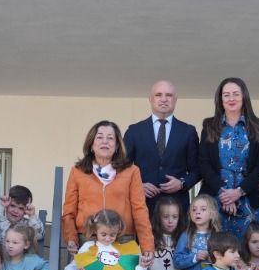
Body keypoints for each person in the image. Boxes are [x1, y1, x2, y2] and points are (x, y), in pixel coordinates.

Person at [61, 120, 155, 258]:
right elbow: (69, 212)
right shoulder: (77, 171)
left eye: (110, 138)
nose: (105, 141)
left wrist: (147, 245)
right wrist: (71, 238)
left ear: (117, 145)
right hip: (88, 239)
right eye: (99, 137)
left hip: (123, 239)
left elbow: (140, 209)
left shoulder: (132, 171)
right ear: (91, 144)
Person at [197, 77, 259, 241]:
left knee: (251, 249)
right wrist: (225, 193)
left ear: (244, 97)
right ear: (220, 99)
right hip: (215, 198)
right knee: (215, 249)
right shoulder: (209, 126)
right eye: (226, 95)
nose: (231, 99)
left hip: (247, 197)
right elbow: (203, 164)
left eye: (236, 94)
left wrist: (238, 192)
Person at [123, 80, 201, 215]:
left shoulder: (188, 131)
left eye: (169, 95)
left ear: (175, 100)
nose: (164, 99)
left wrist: (182, 183)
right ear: (150, 99)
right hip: (142, 206)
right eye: (158, 95)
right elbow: (122, 168)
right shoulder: (134, 131)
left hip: (177, 209)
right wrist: (137, 186)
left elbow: (198, 169)